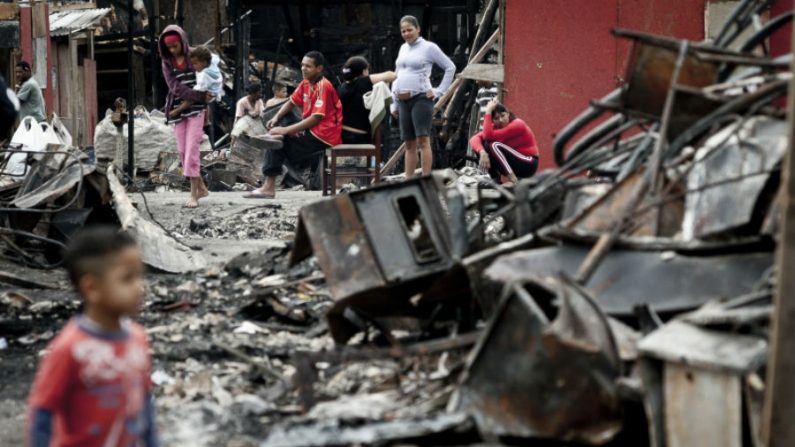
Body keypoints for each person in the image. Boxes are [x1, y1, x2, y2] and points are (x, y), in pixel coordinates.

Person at [26, 226, 157, 447]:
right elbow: (42, 411)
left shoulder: (137, 338)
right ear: (92, 288)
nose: (139, 288)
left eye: (140, 276)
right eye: (127, 279)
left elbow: (143, 401)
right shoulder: (70, 348)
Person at [244, 51, 342, 199]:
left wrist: (285, 130)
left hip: (324, 135)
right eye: (302, 65)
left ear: (319, 68)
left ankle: (268, 187)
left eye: (308, 66)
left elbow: (316, 118)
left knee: (278, 143)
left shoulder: (324, 87)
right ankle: (268, 183)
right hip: (312, 130)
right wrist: (276, 118)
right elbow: (292, 101)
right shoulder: (305, 83)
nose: (303, 68)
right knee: (278, 134)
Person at [390, 15, 455, 178]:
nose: (406, 33)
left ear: (418, 29)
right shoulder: (402, 48)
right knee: (408, 143)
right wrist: (394, 103)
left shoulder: (429, 47)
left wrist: (439, 91)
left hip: (421, 98)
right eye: (403, 31)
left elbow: (450, 67)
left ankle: (426, 180)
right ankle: (409, 180)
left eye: (410, 30)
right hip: (402, 100)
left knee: (422, 140)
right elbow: (396, 75)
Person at [159, 25, 210, 208]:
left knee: (191, 150)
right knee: (182, 152)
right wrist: (197, 95)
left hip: (196, 110)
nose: (173, 50)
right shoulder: (167, 62)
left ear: (182, 41)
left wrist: (200, 97)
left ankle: (194, 195)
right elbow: (174, 87)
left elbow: (207, 78)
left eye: (175, 46)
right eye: (169, 47)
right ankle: (202, 188)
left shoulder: (195, 56)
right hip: (177, 109)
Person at [469, 99, 539, 185]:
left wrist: (488, 111)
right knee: (484, 145)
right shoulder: (494, 128)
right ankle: (495, 178)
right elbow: (473, 139)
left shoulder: (518, 124)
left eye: (503, 115)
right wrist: (482, 152)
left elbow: (487, 135)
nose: (501, 120)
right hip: (514, 164)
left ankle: (513, 180)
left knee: (494, 145)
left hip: (528, 163)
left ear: (508, 114)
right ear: (492, 121)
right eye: (496, 118)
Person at [337, 56, 396, 144]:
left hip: (342, 134)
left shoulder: (342, 87)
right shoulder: (363, 82)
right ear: (364, 71)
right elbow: (391, 75)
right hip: (359, 136)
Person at [169, 45, 223, 119]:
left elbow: (194, 96)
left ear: (204, 62)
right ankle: (206, 120)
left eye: (195, 64)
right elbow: (212, 55)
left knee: (192, 98)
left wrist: (178, 109)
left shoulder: (204, 76)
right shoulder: (212, 60)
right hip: (216, 86)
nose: (193, 66)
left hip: (211, 93)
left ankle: (177, 110)